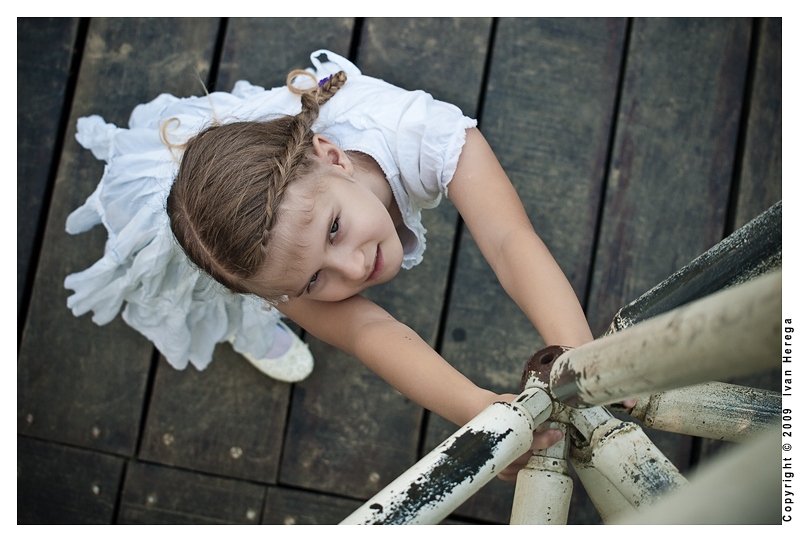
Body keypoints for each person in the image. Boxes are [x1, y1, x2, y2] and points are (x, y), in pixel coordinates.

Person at [66, 50, 594, 480]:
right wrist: (479, 408)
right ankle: (248, 325)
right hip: (254, 237)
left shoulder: (424, 134)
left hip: (267, 184)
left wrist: (585, 359)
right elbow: (368, 331)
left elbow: (508, 239)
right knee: (218, 288)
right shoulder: (280, 260)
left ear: (333, 155)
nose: (355, 267)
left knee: (289, 258)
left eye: (335, 229)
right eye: (317, 279)